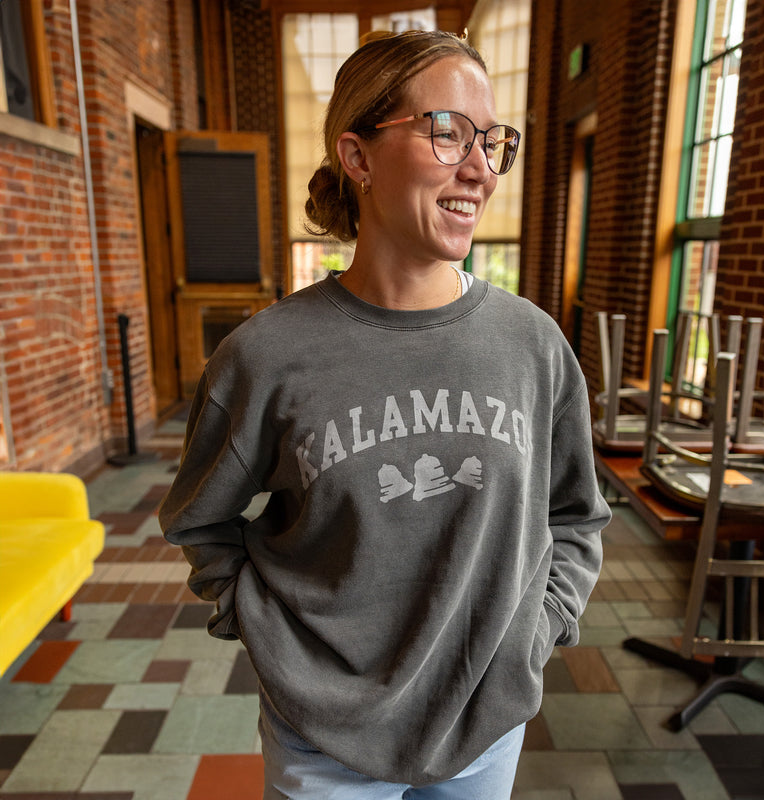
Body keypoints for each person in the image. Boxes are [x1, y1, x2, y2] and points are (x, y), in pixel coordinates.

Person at [159, 28, 610, 800]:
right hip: (323, 734)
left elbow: (575, 513)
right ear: (358, 157)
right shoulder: (266, 355)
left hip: (485, 717)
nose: (480, 167)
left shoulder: (532, 346)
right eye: (446, 132)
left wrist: (537, 632)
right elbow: (199, 520)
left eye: (493, 141)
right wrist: (270, 635)